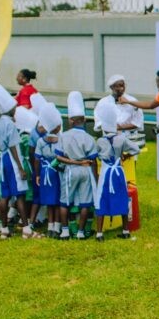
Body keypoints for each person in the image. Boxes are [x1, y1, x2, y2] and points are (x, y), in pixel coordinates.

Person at [0, 88, 33, 239]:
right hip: (12, 159)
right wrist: (20, 168)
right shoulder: (10, 125)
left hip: (3, 158)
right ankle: (26, 228)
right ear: (9, 110)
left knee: (5, 195)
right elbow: (13, 146)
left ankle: (4, 229)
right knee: (20, 195)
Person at [93, 98, 141, 242]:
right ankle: (125, 230)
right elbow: (136, 149)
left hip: (106, 172)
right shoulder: (121, 139)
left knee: (101, 198)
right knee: (122, 197)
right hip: (119, 172)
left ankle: (99, 233)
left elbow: (95, 155)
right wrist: (125, 155)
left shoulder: (100, 141)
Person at [55, 92, 98, 240]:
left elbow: (58, 156)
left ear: (71, 120)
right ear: (84, 120)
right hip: (86, 170)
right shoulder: (89, 138)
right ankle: (81, 232)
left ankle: (65, 231)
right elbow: (93, 161)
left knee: (65, 201)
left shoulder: (64, 136)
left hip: (70, 170)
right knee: (85, 203)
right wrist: (95, 178)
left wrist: (73, 161)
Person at [32, 103, 64, 238]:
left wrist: (37, 175)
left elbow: (37, 159)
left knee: (50, 201)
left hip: (45, 172)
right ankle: (57, 226)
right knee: (57, 200)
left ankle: (50, 226)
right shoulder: (60, 140)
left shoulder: (40, 141)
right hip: (56, 171)